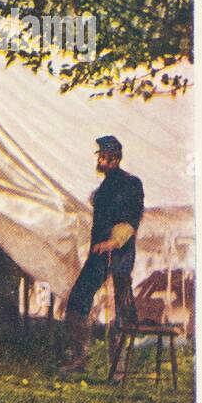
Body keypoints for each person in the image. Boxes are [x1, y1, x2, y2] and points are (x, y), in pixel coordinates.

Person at [59, 135, 145, 378]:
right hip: (98, 254)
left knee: (121, 308)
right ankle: (78, 358)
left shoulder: (131, 183)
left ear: (115, 158)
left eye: (104, 157)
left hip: (118, 255)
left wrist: (114, 241)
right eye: (100, 156)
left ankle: (119, 369)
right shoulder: (105, 186)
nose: (100, 160)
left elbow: (131, 218)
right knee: (78, 298)